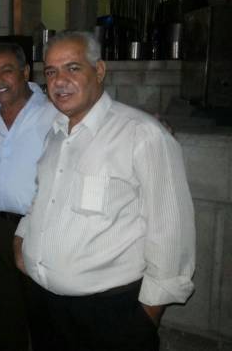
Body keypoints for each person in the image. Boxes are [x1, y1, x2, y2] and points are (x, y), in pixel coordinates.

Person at [14, 31, 196, 351]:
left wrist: (147, 315)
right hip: (44, 306)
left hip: (111, 315)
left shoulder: (142, 134)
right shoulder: (55, 134)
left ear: (99, 71)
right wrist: (21, 241)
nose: (59, 81)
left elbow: (171, 232)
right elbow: (42, 200)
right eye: (51, 72)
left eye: (73, 68)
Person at [0, 42, 57, 351]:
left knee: (43, 310)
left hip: (38, 226)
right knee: (3, 311)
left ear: (25, 72)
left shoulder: (53, 111)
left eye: (6, 71)